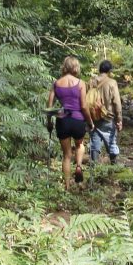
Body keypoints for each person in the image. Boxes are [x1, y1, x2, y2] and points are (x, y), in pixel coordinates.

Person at [46, 55, 92, 189]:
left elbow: (49, 106)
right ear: (76, 67)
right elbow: (84, 106)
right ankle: (78, 165)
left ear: (64, 67)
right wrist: (90, 122)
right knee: (80, 145)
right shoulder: (81, 83)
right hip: (78, 120)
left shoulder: (56, 84)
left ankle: (66, 186)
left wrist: (49, 122)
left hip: (63, 120)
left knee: (66, 155)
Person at [88, 60, 123, 165]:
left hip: (93, 116)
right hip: (107, 117)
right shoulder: (112, 82)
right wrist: (119, 120)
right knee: (111, 140)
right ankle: (114, 164)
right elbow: (117, 102)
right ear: (109, 70)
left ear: (100, 69)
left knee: (94, 140)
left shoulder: (91, 82)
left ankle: (93, 167)